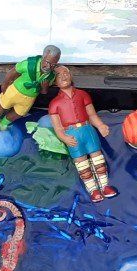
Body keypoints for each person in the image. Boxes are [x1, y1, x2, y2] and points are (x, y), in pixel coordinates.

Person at [47, 66, 116, 202]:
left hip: (87, 130)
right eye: (58, 75)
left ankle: (105, 186)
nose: (63, 76)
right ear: (54, 82)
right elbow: (58, 127)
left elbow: (91, 114)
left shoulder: (83, 95)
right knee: (81, 163)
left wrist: (100, 125)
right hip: (72, 134)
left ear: (71, 75)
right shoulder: (54, 104)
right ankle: (93, 190)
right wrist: (64, 138)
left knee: (98, 158)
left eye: (66, 73)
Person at [0, 44, 60, 138]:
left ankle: (3, 123)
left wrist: (45, 87)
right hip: (15, 91)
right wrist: (5, 84)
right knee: (3, 106)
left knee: (18, 113)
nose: (49, 66)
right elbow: (13, 72)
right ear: (43, 56)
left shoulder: (51, 76)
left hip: (29, 98)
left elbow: (44, 92)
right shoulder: (29, 64)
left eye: (53, 64)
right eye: (47, 62)